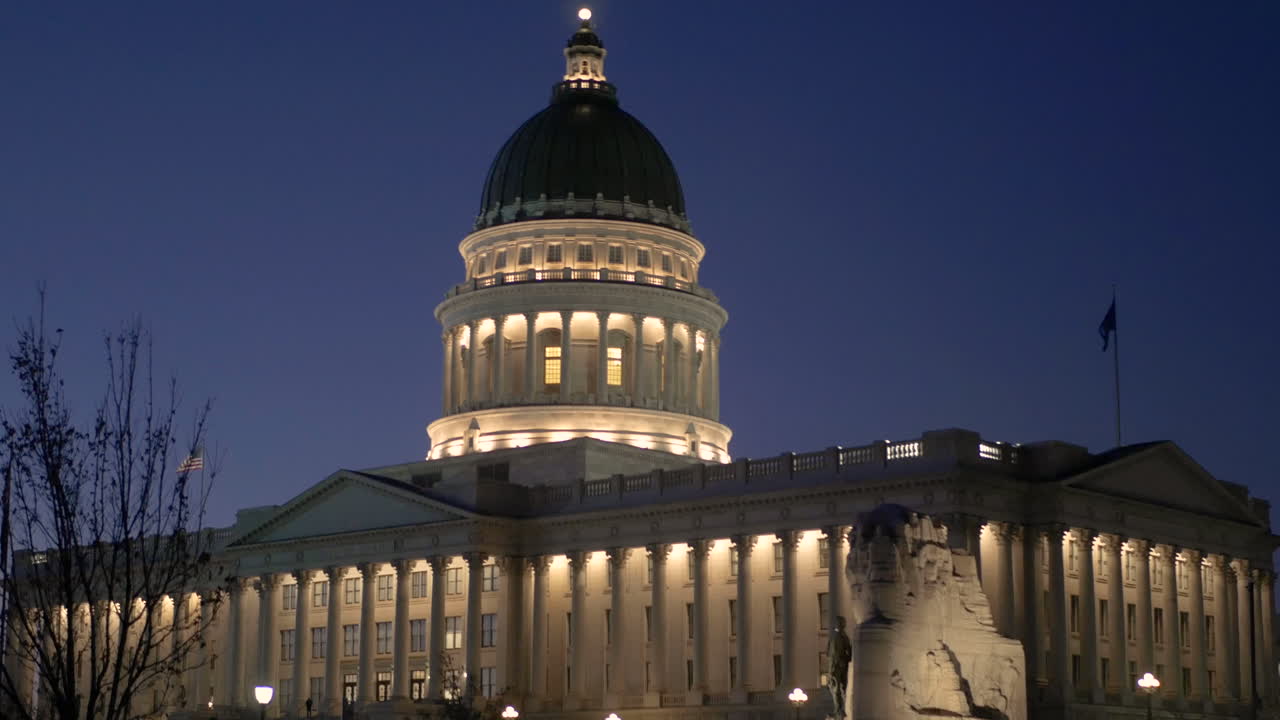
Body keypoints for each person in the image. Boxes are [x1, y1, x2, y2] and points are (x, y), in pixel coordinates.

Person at [827, 615, 852, 718]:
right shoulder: (833, 637)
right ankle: (837, 709)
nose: (837, 624)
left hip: (840, 665)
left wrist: (844, 660)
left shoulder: (844, 637)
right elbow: (828, 653)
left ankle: (841, 709)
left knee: (840, 688)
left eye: (839, 622)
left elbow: (850, 652)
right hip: (833, 666)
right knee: (834, 688)